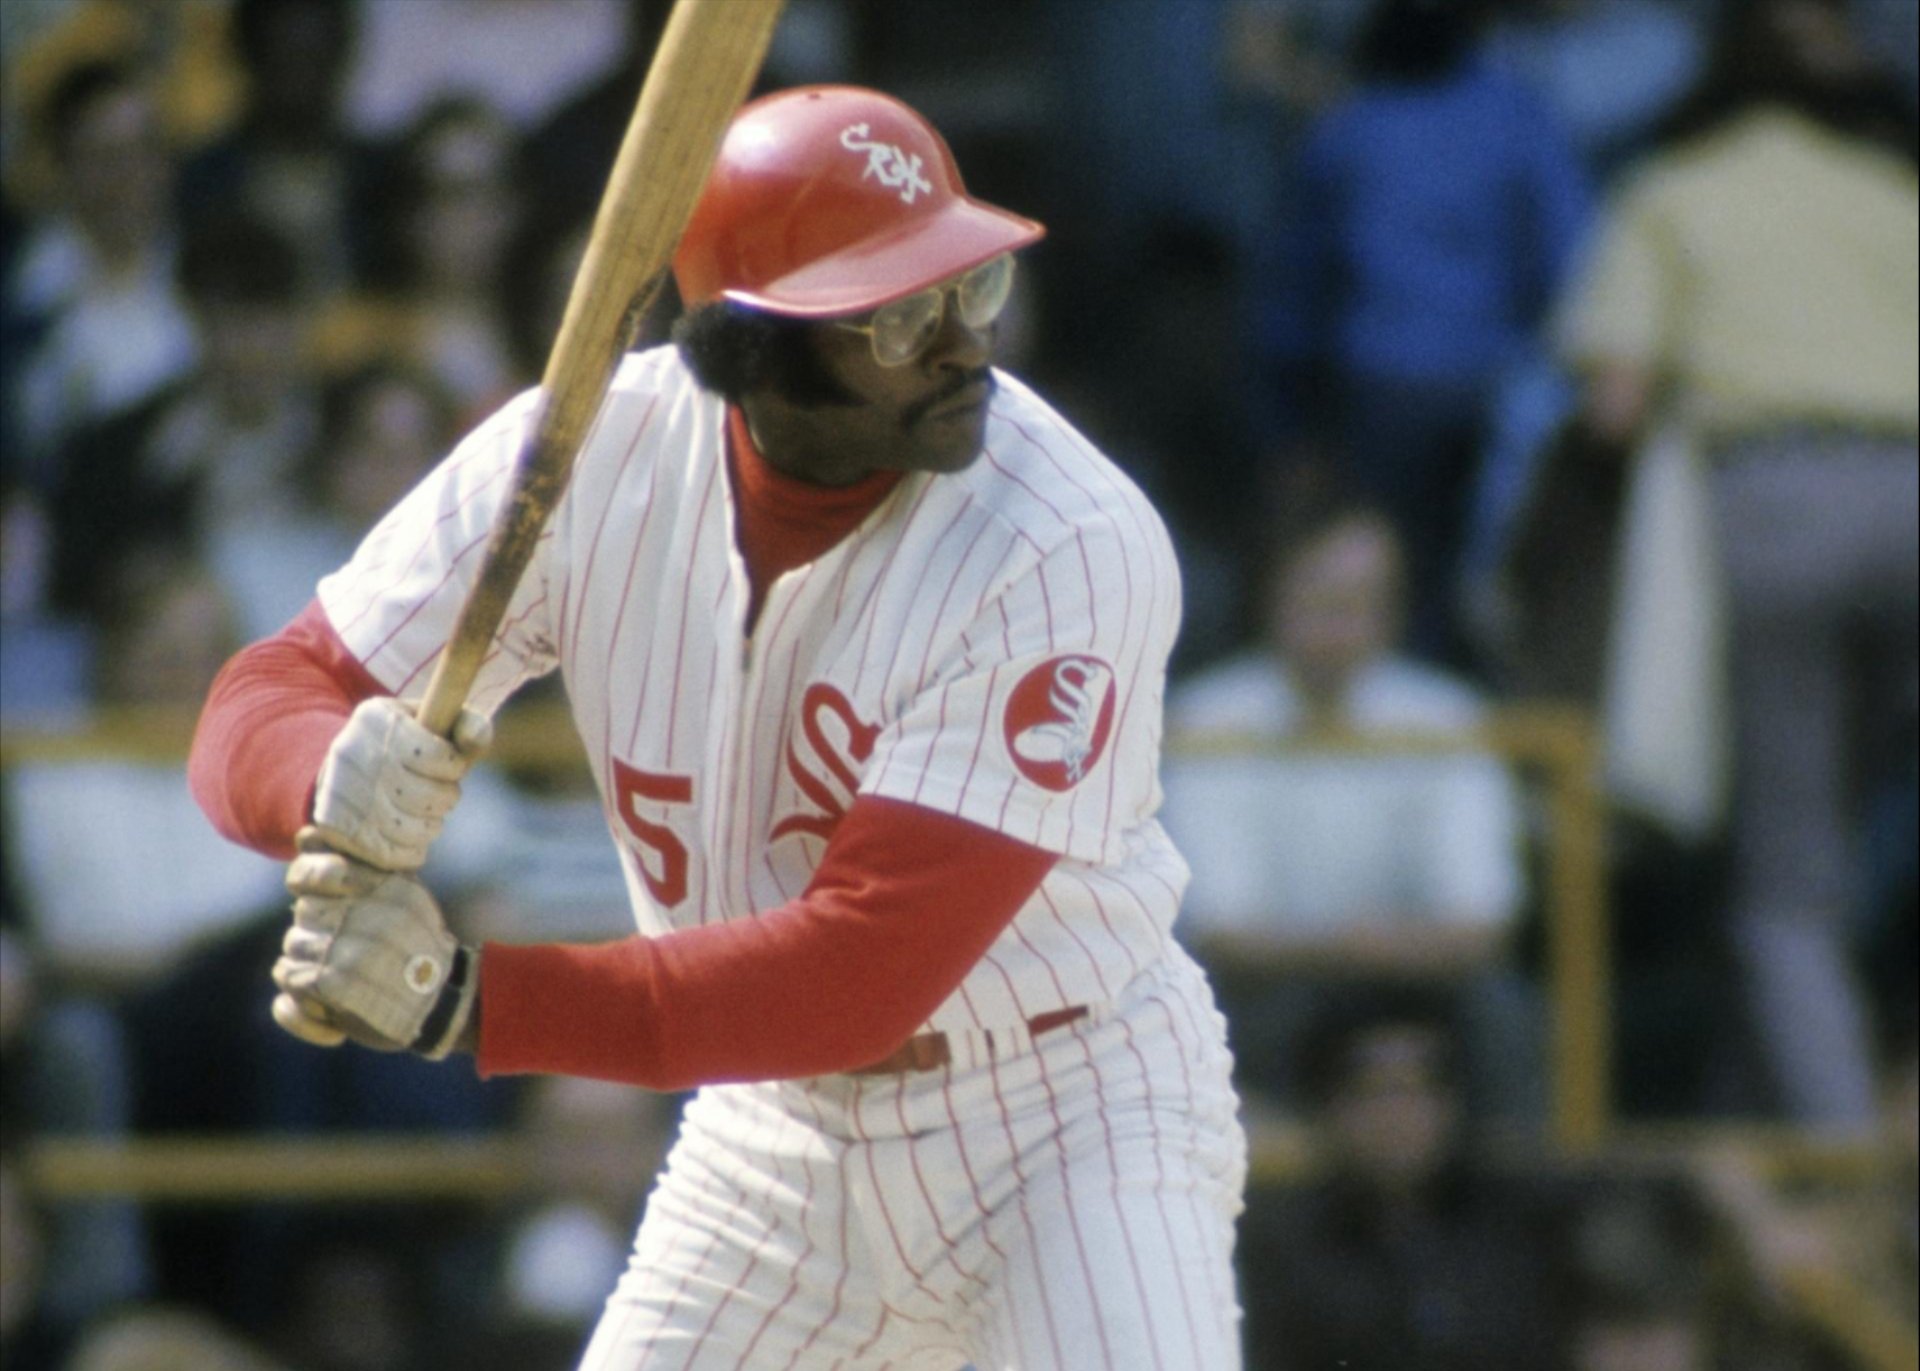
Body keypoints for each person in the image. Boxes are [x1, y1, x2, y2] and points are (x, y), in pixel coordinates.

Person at [190, 85, 1246, 1369]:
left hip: (1065, 1115)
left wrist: (463, 999)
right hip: (776, 1135)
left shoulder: (1067, 538)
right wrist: (325, 780)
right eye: (903, 315)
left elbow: (854, 974)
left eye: (974, 291)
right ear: (751, 351)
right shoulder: (587, 454)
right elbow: (272, 686)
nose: (965, 345)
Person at [1553, 0, 1918, 1125]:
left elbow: (1613, 405)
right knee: (1842, 855)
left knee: (1784, 895)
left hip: (1776, 509)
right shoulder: (1893, 194)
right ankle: (1753, 1123)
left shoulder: (1676, 191)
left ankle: (1850, 1183)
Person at [1161, 486, 1539, 1127]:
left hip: (1417, 995)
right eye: (1325, 602)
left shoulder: (1447, 715)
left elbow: (1484, 921)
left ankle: (1515, 1217)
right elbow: (1224, 932)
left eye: (1369, 603)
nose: (1346, 625)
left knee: (1506, 1015)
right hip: (1266, 1000)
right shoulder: (1204, 719)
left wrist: (1358, 950)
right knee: (1185, 1011)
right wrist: (1370, 944)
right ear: (1271, 596)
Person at [1236, 989, 1566, 1369]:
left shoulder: (1523, 1229)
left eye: (1415, 1089)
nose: (1395, 1114)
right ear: (1329, 1105)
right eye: (1371, 1091)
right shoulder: (1275, 1247)